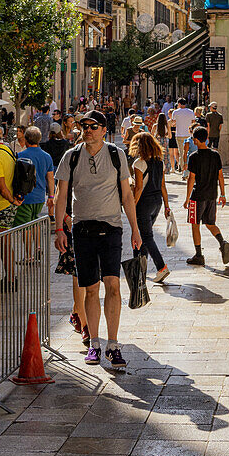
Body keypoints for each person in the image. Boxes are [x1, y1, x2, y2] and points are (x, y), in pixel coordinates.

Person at [54, 110, 141, 370]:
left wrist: (135, 229)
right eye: (84, 126)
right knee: (90, 288)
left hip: (111, 228)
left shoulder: (116, 155)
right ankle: (94, 343)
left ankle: (113, 344)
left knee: (112, 285)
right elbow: (61, 195)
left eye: (94, 126)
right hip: (82, 230)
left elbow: (127, 195)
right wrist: (59, 228)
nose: (88, 130)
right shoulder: (71, 157)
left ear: (104, 130)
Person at [184, 126, 229, 266]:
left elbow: (191, 178)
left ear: (197, 140)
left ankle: (199, 255)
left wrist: (187, 199)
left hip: (197, 196)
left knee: (195, 224)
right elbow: (220, 176)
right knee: (210, 223)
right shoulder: (215, 155)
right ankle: (222, 242)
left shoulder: (194, 157)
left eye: (194, 138)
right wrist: (223, 194)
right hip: (212, 195)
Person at [130, 129, 171, 282]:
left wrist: (132, 205)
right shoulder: (160, 162)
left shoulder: (139, 163)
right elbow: (163, 186)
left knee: (146, 237)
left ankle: (161, 267)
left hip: (144, 202)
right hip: (157, 202)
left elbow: (139, 187)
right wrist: (167, 206)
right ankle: (140, 268)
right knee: (144, 234)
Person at [15, 125, 56, 226]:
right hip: (40, 197)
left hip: (25, 197)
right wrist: (51, 196)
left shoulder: (20, 156)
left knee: (26, 227)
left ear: (26, 139)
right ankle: (38, 243)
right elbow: (50, 179)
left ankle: (28, 243)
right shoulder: (47, 156)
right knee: (35, 223)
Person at [172, 97, 196, 177]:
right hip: (188, 134)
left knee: (182, 152)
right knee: (190, 152)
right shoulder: (191, 112)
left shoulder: (175, 112)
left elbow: (173, 122)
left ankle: (183, 170)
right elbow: (193, 122)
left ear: (179, 104)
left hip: (179, 134)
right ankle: (190, 169)